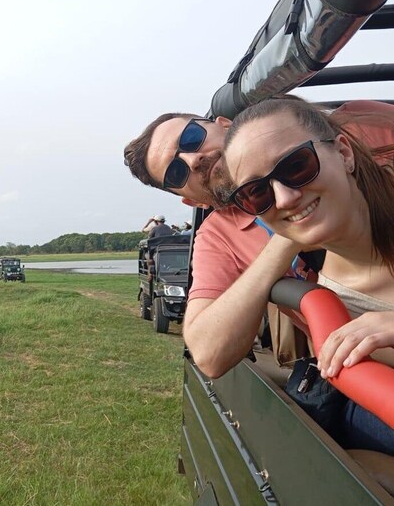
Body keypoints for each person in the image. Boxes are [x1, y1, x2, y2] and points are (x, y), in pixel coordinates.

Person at [123, 100, 394, 378]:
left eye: (192, 138)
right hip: (361, 371)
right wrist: (291, 226)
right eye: (176, 172)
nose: (193, 159)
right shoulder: (220, 235)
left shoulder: (359, 130)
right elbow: (209, 354)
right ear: (192, 202)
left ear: (225, 125)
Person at [223, 97, 394, 454]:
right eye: (257, 193)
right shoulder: (335, 303)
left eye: (297, 165)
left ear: (344, 153)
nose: (284, 198)